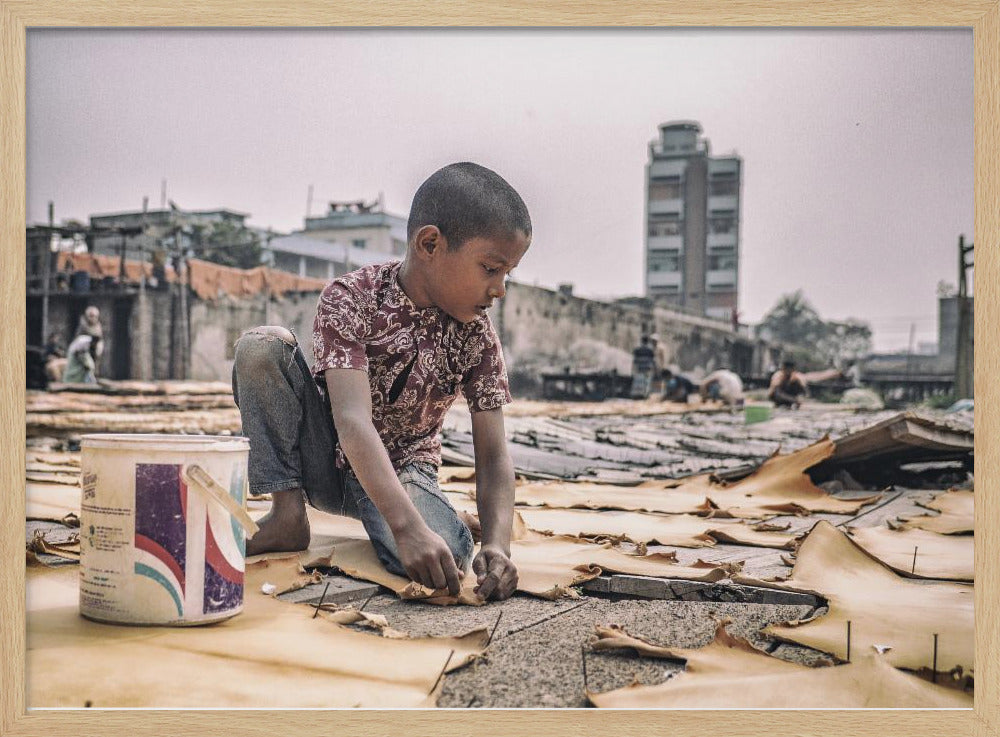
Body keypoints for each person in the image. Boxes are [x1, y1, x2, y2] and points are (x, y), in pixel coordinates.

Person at [232, 162, 529, 602]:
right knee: (261, 347)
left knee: (446, 555)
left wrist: (498, 546)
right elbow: (351, 420)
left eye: (507, 274)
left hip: (405, 469)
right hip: (326, 460)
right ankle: (287, 515)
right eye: (490, 269)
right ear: (430, 244)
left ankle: (435, 515)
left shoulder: (476, 337)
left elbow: (493, 454)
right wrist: (407, 528)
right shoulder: (353, 298)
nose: (499, 289)